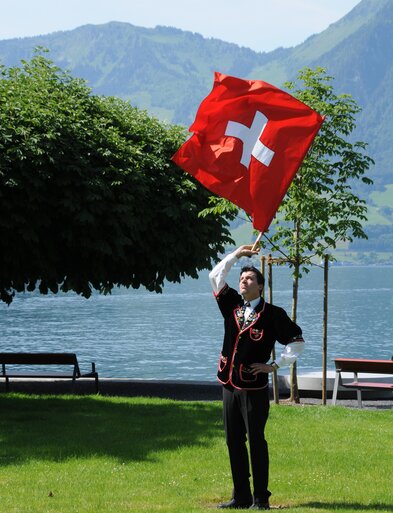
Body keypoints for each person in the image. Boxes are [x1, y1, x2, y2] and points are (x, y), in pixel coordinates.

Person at [209, 245, 305, 510]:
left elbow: (296, 342)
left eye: (250, 278)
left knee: (256, 440)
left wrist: (274, 365)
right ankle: (240, 496)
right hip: (228, 382)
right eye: (242, 278)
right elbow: (215, 277)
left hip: (253, 386)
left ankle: (261, 498)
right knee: (233, 440)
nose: (243, 281)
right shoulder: (232, 305)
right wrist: (236, 256)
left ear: (260, 287)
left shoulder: (273, 314)